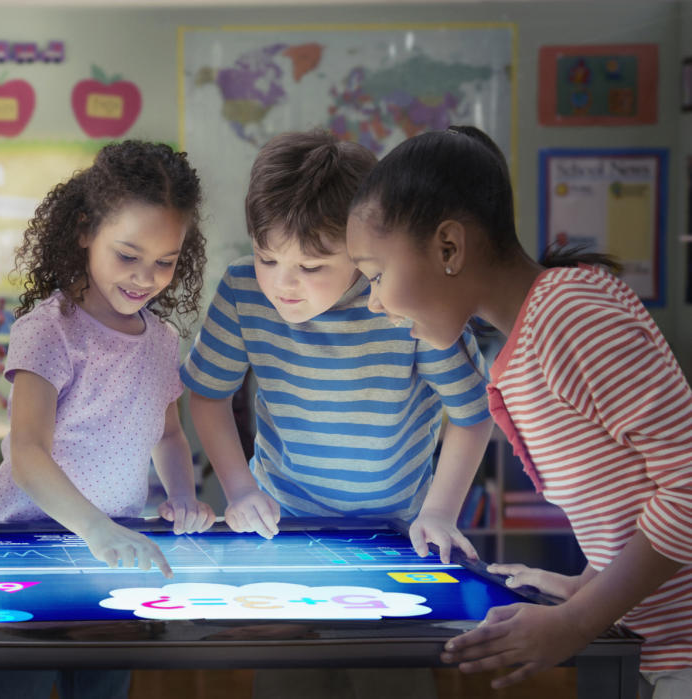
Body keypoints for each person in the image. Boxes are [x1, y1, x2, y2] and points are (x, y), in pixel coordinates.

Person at [346, 124, 692, 698]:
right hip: (660, 651)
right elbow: (629, 492)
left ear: (448, 247)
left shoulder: (568, 317)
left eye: (377, 275)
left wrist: (577, 624)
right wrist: (586, 586)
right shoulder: (536, 332)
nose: (375, 302)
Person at [181, 130, 493, 699]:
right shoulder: (243, 290)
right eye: (268, 256)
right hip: (285, 533)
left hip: (395, 537)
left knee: (390, 685)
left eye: (313, 265)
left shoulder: (406, 298)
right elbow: (207, 394)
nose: (283, 283)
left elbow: (473, 414)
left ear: (362, 244)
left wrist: (441, 513)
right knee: (288, 684)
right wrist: (239, 489)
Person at [0, 140, 216, 699]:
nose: (144, 277)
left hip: (116, 547)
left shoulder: (161, 341)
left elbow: (171, 434)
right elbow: (29, 454)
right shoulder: (50, 328)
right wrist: (95, 530)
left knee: (102, 687)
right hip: (27, 544)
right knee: (22, 687)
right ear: (84, 231)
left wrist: (183, 495)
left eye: (165, 262)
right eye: (127, 255)